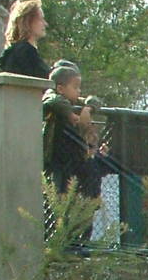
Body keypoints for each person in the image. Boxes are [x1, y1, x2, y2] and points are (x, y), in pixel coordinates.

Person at [41, 61, 107, 197]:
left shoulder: (76, 102)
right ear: (60, 89)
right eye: (75, 87)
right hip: (56, 160)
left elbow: (95, 100)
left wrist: (88, 109)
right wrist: (70, 114)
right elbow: (52, 99)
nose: (79, 91)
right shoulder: (52, 98)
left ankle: (88, 203)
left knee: (88, 178)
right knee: (57, 191)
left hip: (75, 157)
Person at [0, 0, 50, 78]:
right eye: (40, 19)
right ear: (27, 21)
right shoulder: (25, 52)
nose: (45, 24)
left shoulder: (16, 52)